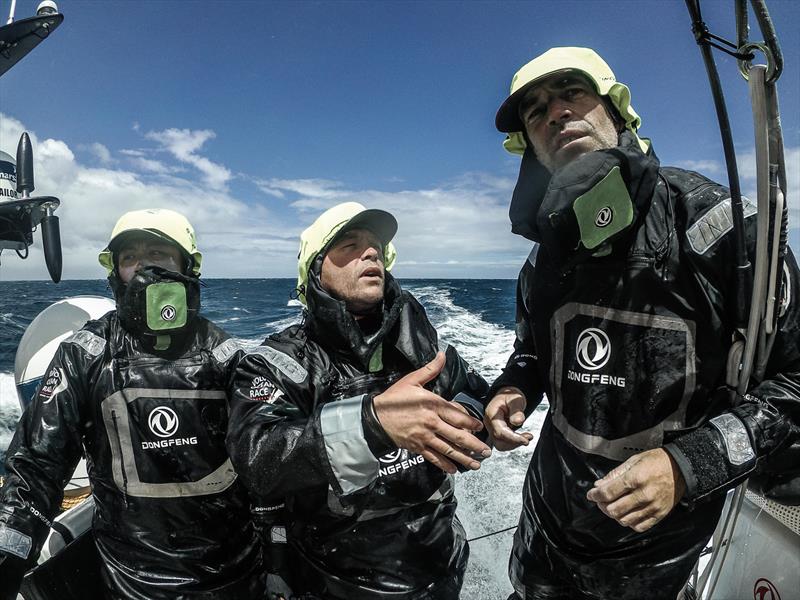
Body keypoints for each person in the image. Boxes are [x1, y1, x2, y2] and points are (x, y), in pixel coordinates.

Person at [484, 47, 800, 600]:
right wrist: (513, 387)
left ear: (617, 109)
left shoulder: (721, 229)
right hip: (545, 531)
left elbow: (795, 382)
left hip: (656, 556)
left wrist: (688, 466)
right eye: (535, 111)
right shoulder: (542, 260)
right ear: (529, 146)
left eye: (572, 93)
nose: (555, 113)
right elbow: (531, 353)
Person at [226, 201, 492, 600]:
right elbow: (258, 459)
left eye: (376, 247)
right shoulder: (277, 363)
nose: (370, 253)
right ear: (314, 270)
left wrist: (471, 419)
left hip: (440, 573)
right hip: (334, 584)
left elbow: (478, 393)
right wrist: (372, 425)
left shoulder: (424, 348)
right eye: (349, 244)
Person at [0, 209, 262, 600]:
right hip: (130, 584)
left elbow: (269, 460)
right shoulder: (85, 354)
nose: (142, 268)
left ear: (187, 268)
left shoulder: (227, 356)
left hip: (234, 579)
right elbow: (37, 467)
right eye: (129, 258)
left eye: (158, 254)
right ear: (115, 273)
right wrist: (8, 558)